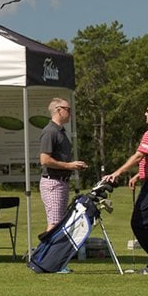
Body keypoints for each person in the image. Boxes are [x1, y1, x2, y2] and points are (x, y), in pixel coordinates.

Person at [103, 99, 148, 275]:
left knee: (139, 223)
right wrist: (138, 175)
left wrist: (117, 173)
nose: (145, 114)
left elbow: (138, 156)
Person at [39, 98, 87, 233]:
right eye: (68, 110)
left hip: (61, 182)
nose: (70, 113)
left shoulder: (61, 131)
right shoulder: (50, 131)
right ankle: (48, 247)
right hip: (53, 183)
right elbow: (45, 160)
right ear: (59, 110)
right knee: (54, 224)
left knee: (59, 223)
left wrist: (73, 166)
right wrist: (69, 166)